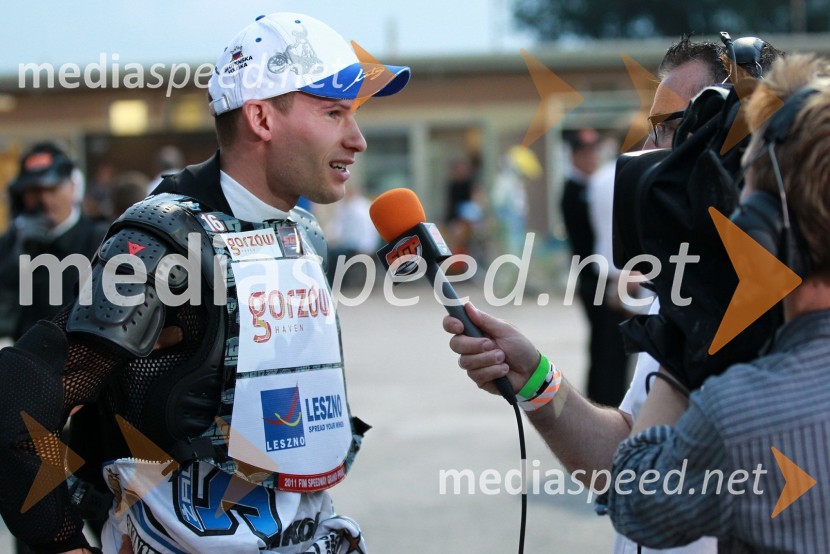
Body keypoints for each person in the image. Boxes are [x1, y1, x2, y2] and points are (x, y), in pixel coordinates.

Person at [0, 12, 410, 554]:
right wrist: (66, 542)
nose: (357, 139)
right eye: (335, 112)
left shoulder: (304, 233)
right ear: (262, 118)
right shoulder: (166, 239)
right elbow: (20, 405)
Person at [443, 35, 780, 554]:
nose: (648, 151)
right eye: (652, 128)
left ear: (746, 134)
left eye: (672, 126)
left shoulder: (803, 313)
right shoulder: (686, 293)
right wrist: (534, 377)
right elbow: (628, 457)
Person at [605, 54, 830, 552]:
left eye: (744, 185)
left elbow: (635, 499)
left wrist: (688, 349)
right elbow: (626, 428)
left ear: (764, 224)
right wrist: (540, 384)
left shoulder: (740, 413)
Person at [0, 142, 108, 341]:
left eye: (52, 189)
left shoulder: (100, 239)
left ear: (73, 187)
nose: (44, 200)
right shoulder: (10, 244)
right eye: (34, 191)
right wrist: (16, 259)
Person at [560, 129, 631, 406]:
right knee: (608, 346)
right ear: (574, 156)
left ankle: (601, 403)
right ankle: (605, 404)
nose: (591, 158)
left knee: (606, 345)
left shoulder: (594, 185)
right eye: (585, 153)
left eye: (594, 152)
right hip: (594, 278)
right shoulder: (576, 190)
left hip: (599, 277)